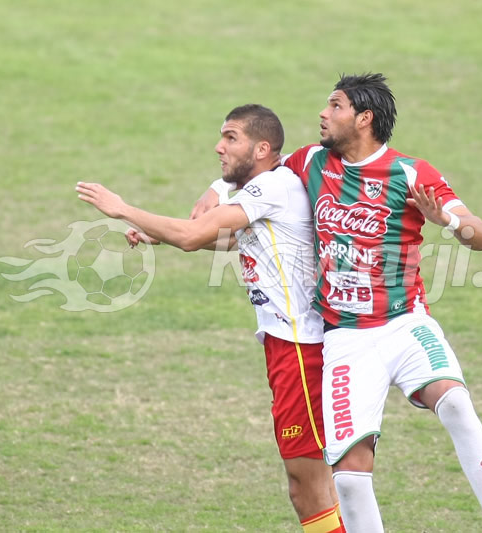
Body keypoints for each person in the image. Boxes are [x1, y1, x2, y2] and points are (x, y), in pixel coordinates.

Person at [194, 75, 482, 532]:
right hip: (345, 339)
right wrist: (216, 186)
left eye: (335, 106)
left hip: (404, 323)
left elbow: (479, 236)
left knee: (457, 403)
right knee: (347, 479)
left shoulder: (411, 172)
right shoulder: (310, 162)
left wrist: (442, 216)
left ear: (363, 118)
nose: (323, 114)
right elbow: (258, 165)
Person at [76, 104, 345, 533]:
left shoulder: (272, 189)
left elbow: (191, 235)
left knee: (308, 487)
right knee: (319, 485)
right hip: (289, 347)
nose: (219, 147)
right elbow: (235, 241)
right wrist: (156, 233)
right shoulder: (271, 190)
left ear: (261, 148)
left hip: (301, 352)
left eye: (230, 137)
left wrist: (122, 208)